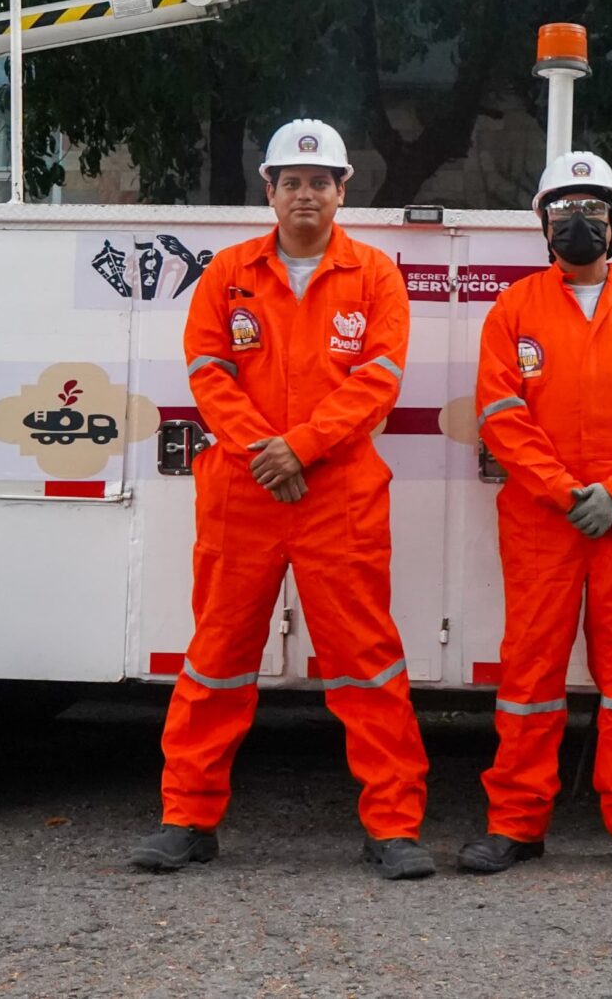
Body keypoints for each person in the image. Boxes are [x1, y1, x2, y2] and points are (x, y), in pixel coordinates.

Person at [129, 119, 435, 880]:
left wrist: (297, 449)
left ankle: (394, 828)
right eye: (291, 182)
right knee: (218, 660)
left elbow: (380, 380)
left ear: (343, 190)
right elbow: (207, 371)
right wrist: (267, 453)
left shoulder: (376, 276)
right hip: (245, 490)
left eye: (319, 182)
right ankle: (187, 820)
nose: (306, 194)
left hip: (339, 493)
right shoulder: (229, 272)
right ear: (269, 190)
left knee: (367, 664)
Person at [459, 151, 612, 878]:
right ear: (543, 225)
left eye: (594, 209)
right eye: (565, 210)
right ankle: (517, 825)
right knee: (529, 680)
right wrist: (565, 492)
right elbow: (500, 415)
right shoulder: (514, 309)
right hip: (541, 520)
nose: (580, 222)